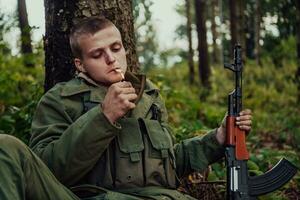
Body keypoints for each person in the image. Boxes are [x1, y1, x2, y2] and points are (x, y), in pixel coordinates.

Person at [0, 16, 252, 200]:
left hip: (160, 197)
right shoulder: (60, 100)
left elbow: (169, 164)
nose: (111, 58)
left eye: (116, 48)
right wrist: (103, 117)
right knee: (5, 146)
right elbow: (49, 171)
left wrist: (218, 139)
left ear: (125, 49)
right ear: (81, 64)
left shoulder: (149, 95)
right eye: (97, 54)